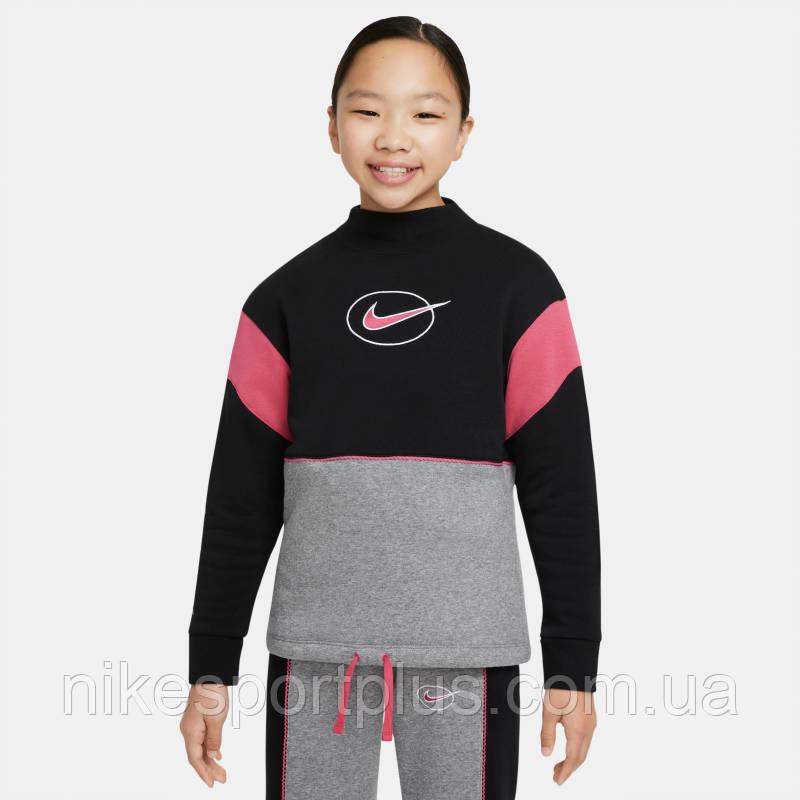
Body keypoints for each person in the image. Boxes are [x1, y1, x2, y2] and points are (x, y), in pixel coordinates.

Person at [179, 15, 601, 799]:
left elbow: (563, 491)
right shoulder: (284, 300)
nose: (394, 136)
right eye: (368, 110)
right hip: (315, 652)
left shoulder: (519, 288)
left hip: (468, 651)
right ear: (331, 125)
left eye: (426, 113)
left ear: (464, 133)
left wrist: (574, 667)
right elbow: (240, 498)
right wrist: (211, 668)